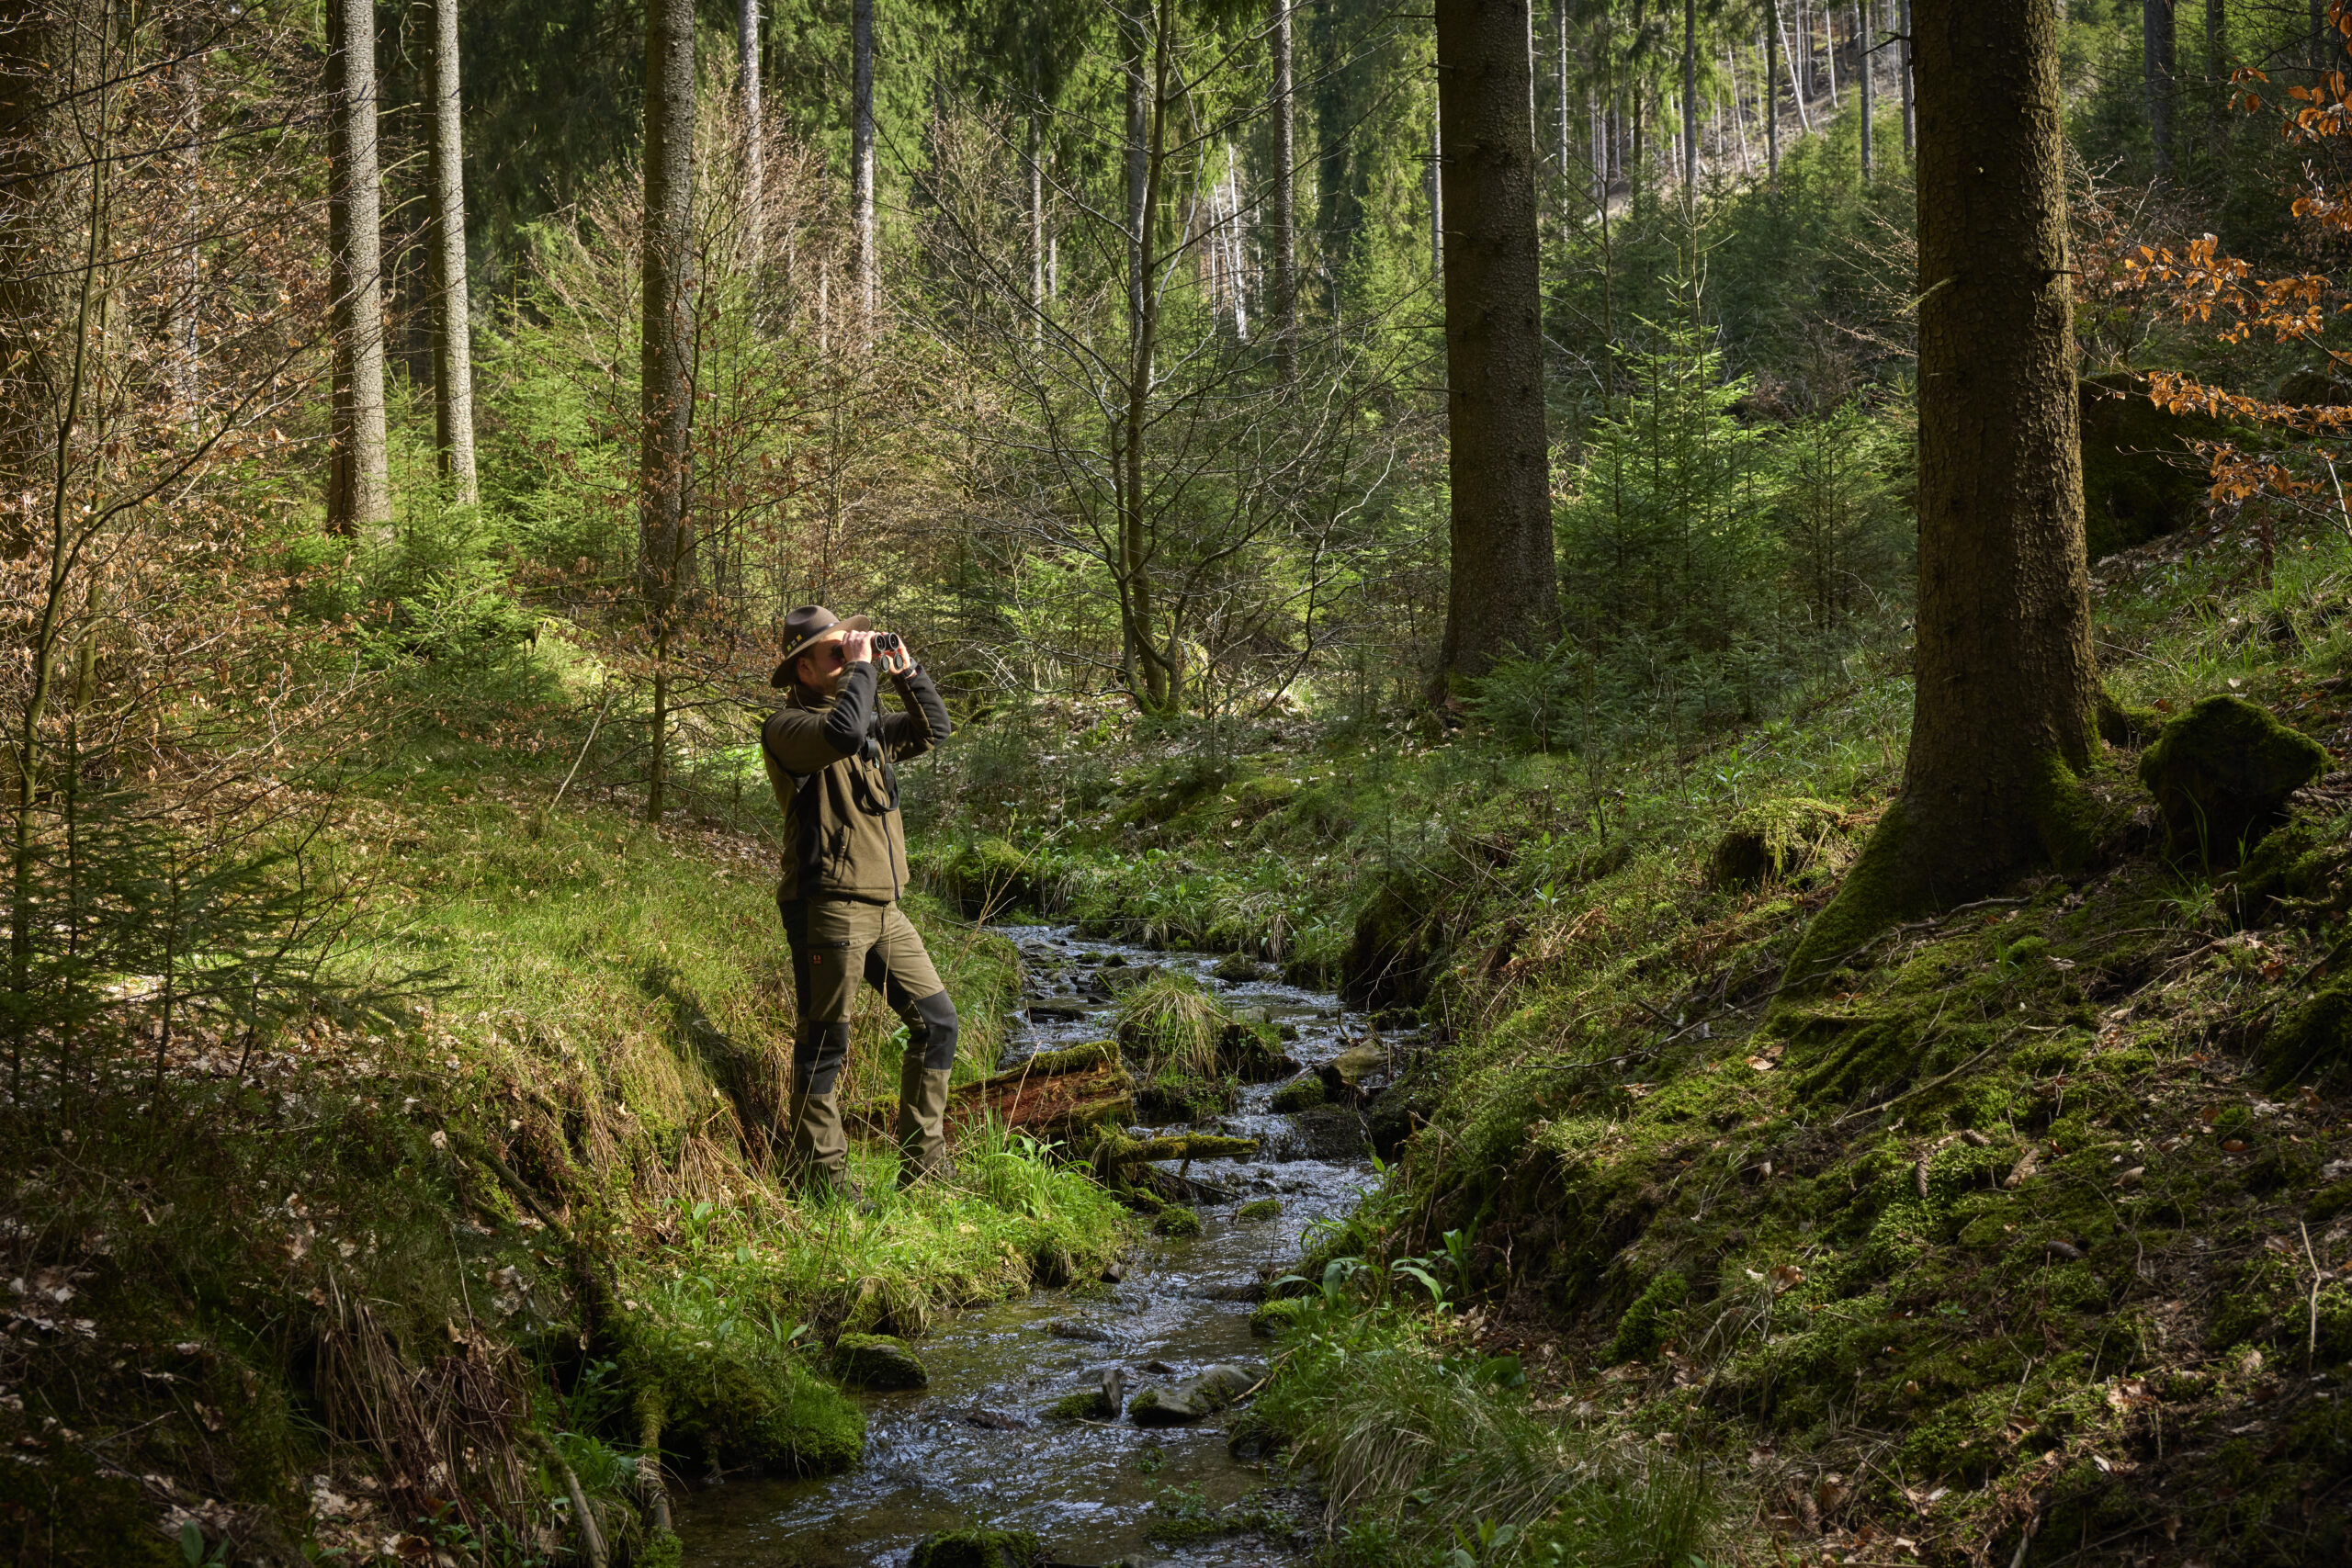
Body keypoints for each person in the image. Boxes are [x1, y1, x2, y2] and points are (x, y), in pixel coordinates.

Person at [761, 604, 957, 1199]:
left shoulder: (864, 724)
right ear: (802, 668)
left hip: (884, 908)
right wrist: (865, 666)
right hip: (828, 905)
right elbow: (840, 732)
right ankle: (823, 1181)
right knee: (826, 1041)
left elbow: (933, 730)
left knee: (938, 1022)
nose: (846, 660)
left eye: (847, 649)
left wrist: (905, 669)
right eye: (834, 653)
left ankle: (924, 1171)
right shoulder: (789, 728)